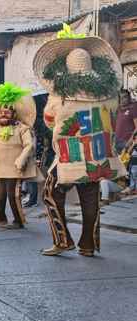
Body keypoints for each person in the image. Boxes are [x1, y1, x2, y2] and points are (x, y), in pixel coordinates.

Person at [33, 25, 127, 257]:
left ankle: (63, 239)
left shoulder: (60, 94)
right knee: (90, 198)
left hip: (69, 157)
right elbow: (113, 117)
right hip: (98, 155)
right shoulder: (109, 93)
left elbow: (49, 121)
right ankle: (88, 244)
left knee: (51, 193)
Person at [0, 82, 37, 229]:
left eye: (7, 112)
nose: (3, 114)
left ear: (14, 114)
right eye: (1, 111)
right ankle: (1, 218)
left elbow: (29, 145)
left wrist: (21, 159)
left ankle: (18, 221)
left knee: (13, 194)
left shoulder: (22, 129)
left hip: (15, 166)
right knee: (0, 194)